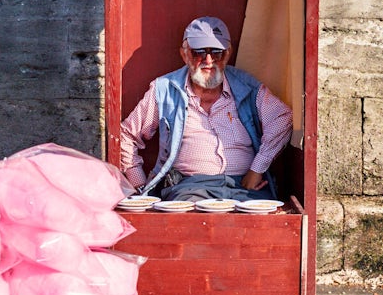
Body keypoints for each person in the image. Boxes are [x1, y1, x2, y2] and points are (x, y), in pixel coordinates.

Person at [119, 16, 292, 201]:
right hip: (189, 188)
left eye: (217, 52)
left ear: (227, 54)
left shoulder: (247, 87)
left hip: (244, 187)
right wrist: (139, 186)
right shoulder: (165, 90)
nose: (208, 60)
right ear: (185, 55)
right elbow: (127, 135)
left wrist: (257, 169)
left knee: (263, 217)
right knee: (188, 216)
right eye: (199, 52)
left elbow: (283, 118)